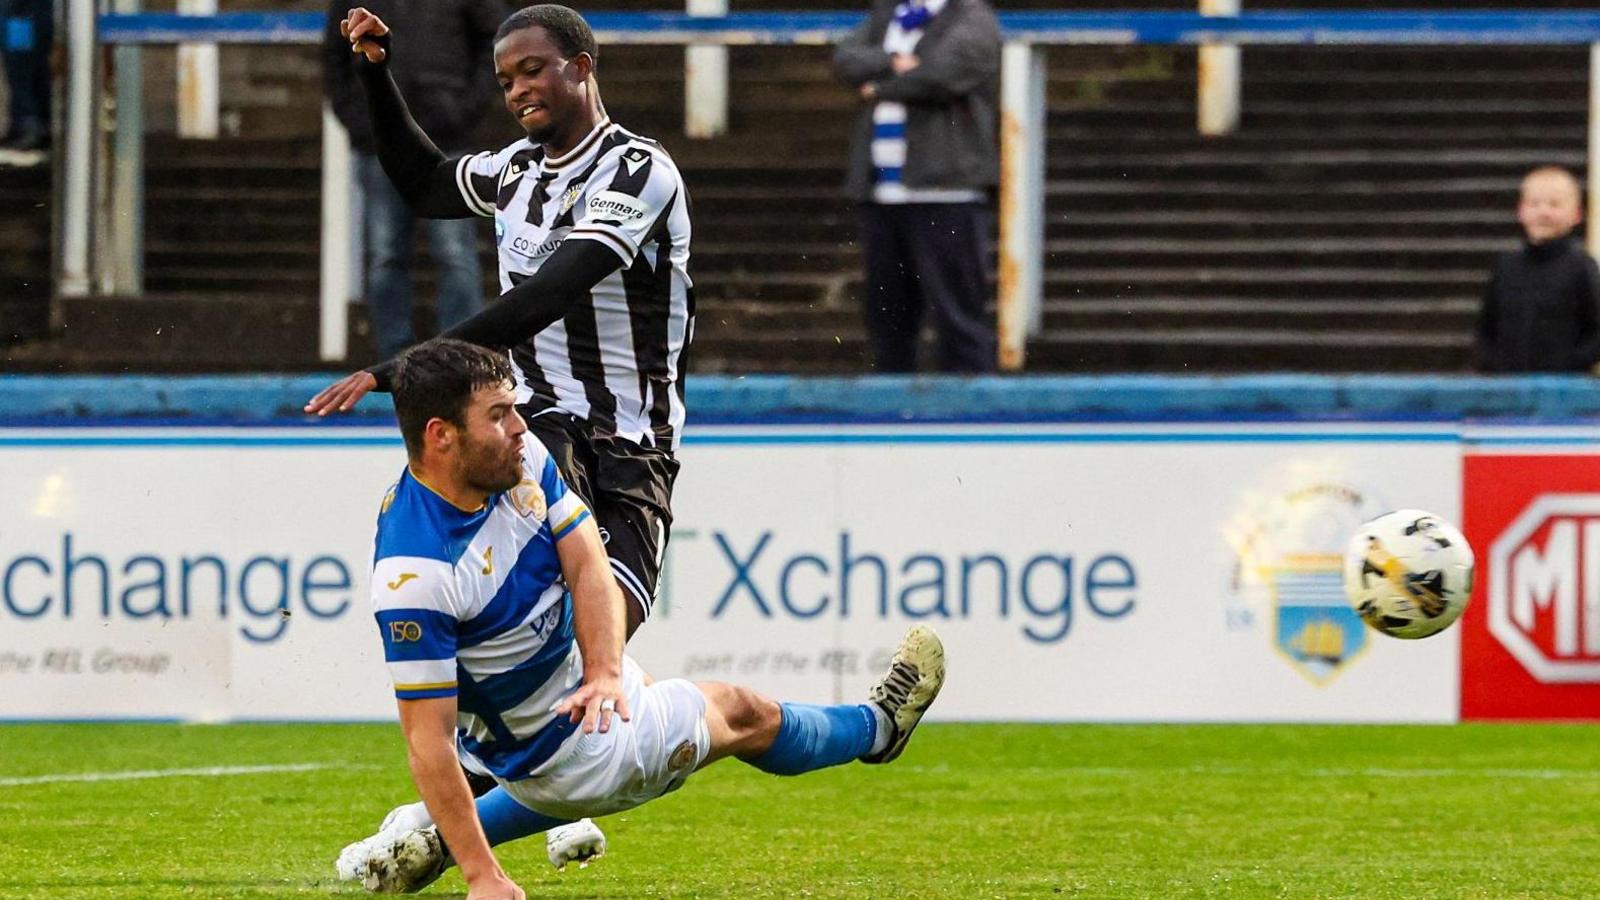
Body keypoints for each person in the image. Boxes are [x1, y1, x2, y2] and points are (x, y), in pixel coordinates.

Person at [333, 338, 945, 898]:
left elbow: (588, 562)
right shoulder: (415, 576)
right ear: (441, 436)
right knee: (740, 712)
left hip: (577, 688)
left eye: (514, 407)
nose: (520, 426)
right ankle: (879, 728)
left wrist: (604, 670)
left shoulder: (517, 461)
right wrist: (484, 878)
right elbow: (427, 740)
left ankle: (433, 842)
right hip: (566, 754)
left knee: (647, 692)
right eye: (498, 415)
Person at [309, 5, 692, 640]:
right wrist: (375, 72)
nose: (517, 91)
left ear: (582, 68)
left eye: (532, 71)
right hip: (536, 425)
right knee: (521, 624)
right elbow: (424, 182)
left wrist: (399, 367)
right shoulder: (515, 170)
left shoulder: (638, 172)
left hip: (627, 440)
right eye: (506, 79)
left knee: (599, 640)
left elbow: (547, 295)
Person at [322, 0, 501, 359]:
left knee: (455, 254)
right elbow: (333, 57)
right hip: (380, 143)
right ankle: (396, 358)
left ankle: (459, 355)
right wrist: (360, 120)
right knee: (387, 255)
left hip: (447, 140)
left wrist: (464, 109)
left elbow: (496, 39)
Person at [833, 0, 1001, 373]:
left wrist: (877, 87)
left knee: (959, 315)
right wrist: (895, 61)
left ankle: (971, 414)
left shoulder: (971, 16)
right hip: (881, 192)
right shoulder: (885, 14)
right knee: (887, 317)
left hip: (947, 190)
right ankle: (889, 418)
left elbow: (943, 74)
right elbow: (845, 59)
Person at [1476, 165, 1600, 374]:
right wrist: (1495, 366)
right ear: (1520, 211)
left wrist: (1570, 365)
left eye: (1555, 204)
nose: (1544, 212)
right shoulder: (1506, 267)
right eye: (1534, 204)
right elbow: (1486, 329)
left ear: (1577, 213)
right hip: (1509, 389)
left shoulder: (1582, 267)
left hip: (1564, 393)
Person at [0, 0, 52, 154]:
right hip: (30, 19)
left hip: (20, 20)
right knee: (35, 72)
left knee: (21, 73)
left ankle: (27, 128)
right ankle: (37, 127)